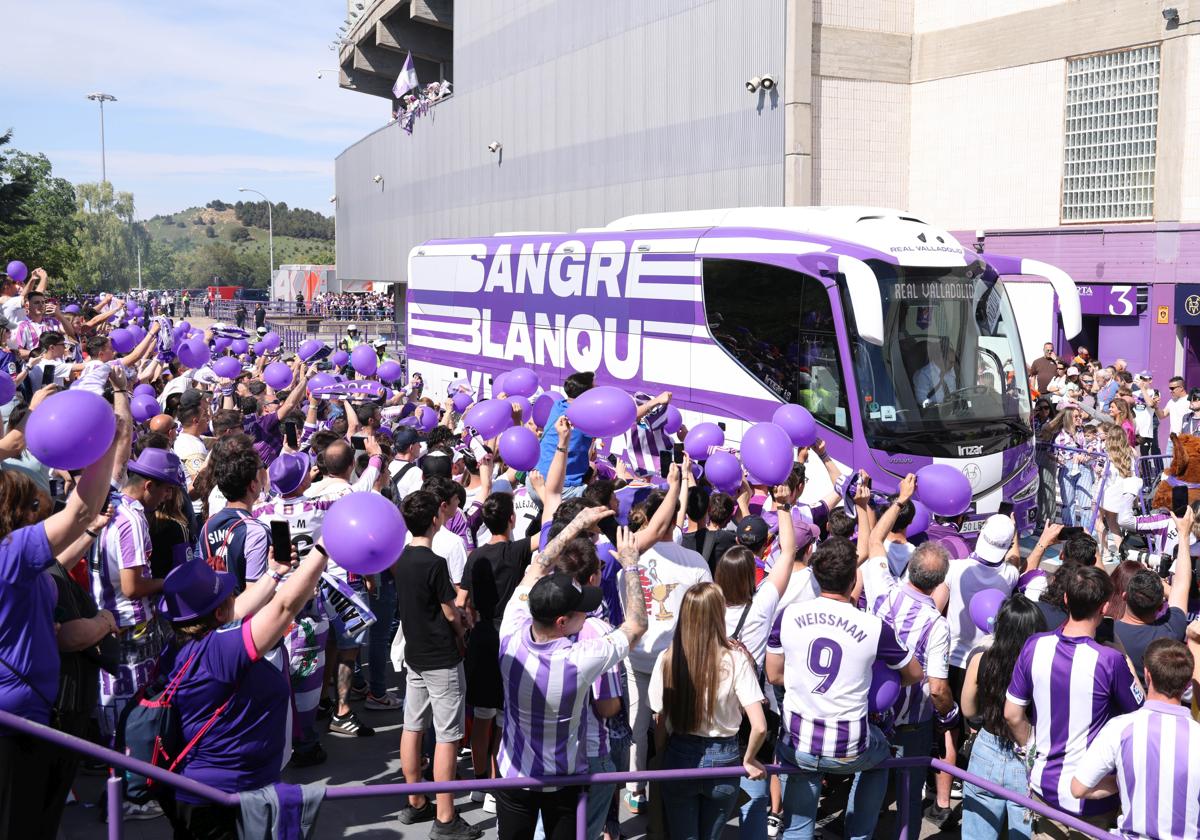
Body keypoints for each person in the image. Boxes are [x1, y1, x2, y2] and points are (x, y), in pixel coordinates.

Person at [153, 541, 330, 839]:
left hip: (193, 790)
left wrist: (273, 574)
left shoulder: (180, 647)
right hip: (225, 800)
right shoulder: (221, 652)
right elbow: (284, 607)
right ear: (219, 613)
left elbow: (237, 611)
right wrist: (323, 550)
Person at [0, 409, 120, 839]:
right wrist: (107, 439)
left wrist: (87, 537)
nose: (39, 509)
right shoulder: (9, 555)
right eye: (31, 504)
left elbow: (50, 569)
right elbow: (81, 509)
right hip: (17, 724)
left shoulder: (20, 565)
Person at [496, 509, 649, 840]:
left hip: (513, 775)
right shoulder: (579, 660)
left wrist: (575, 526)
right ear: (562, 622)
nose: (588, 613)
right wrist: (631, 565)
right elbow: (637, 625)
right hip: (562, 779)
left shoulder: (511, 627)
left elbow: (538, 564)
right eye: (582, 611)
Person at [766, 536, 923, 840]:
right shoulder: (873, 626)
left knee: (797, 825)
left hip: (798, 741)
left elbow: (773, 675)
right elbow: (914, 673)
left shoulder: (788, 616)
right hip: (848, 745)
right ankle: (859, 835)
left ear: (815, 575)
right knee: (881, 759)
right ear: (853, 579)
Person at [1004, 566, 1145, 838]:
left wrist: (1033, 750)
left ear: (1066, 599)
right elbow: (1142, 714)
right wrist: (1126, 659)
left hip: (1044, 790)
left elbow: (1012, 714)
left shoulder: (1034, 645)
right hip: (1093, 800)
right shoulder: (1110, 660)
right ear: (1104, 608)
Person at [863, 480, 956, 840]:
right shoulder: (936, 624)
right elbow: (936, 688)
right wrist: (948, 717)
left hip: (872, 713)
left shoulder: (881, 593)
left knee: (868, 788)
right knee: (908, 799)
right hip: (914, 722)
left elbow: (873, 541)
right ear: (938, 583)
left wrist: (899, 502)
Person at [620, 465, 711, 815]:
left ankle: (635, 789)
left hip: (638, 655)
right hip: (678, 660)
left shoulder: (629, 555)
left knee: (636, 726)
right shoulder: (694, 561)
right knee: (676, 728)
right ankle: (673, 786)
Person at [650, 583, 767, 840]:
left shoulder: (668, 659)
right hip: (725, 758)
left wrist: (661, 754)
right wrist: (748, 760)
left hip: (679, 755)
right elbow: (759, 726)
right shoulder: (736, 660)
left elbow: (660, 720)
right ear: (718, 614)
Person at [394, 490, 477, 839]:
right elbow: (448, 610)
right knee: (447, 736)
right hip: (441, 657)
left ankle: (415, 800)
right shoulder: (434, 562)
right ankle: (445, 816)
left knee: (412, 726)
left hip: (415, 654)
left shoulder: (399, 559)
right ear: (434, 519)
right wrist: (461, 627)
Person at [1071, 638, 1200, 840]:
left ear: (1147, 675)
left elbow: (1079, 788)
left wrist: (1125, 780)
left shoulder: (1120, 728)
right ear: (1186, 684)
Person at [960, 594, 1048, 840]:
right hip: (1028, 753)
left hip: (987, 747)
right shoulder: (1042, 667)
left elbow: (968, 710)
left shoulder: (981, 659)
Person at [1112, 512, 1191, 682]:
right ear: (1160, 605)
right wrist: (1184, 536)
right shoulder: (1171, 630)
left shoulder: (1105, 632)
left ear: (1124, 596)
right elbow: (1182, 585)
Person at [913, 340, 957, 406]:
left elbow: (953, 391)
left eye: (954, 362)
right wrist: (934, 406)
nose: (953, 365)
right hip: (934, 411)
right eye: (951, 362)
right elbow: (921, 399)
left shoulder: (950, 370)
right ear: (940, 359)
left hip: (952, 409)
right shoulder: (925, 374)